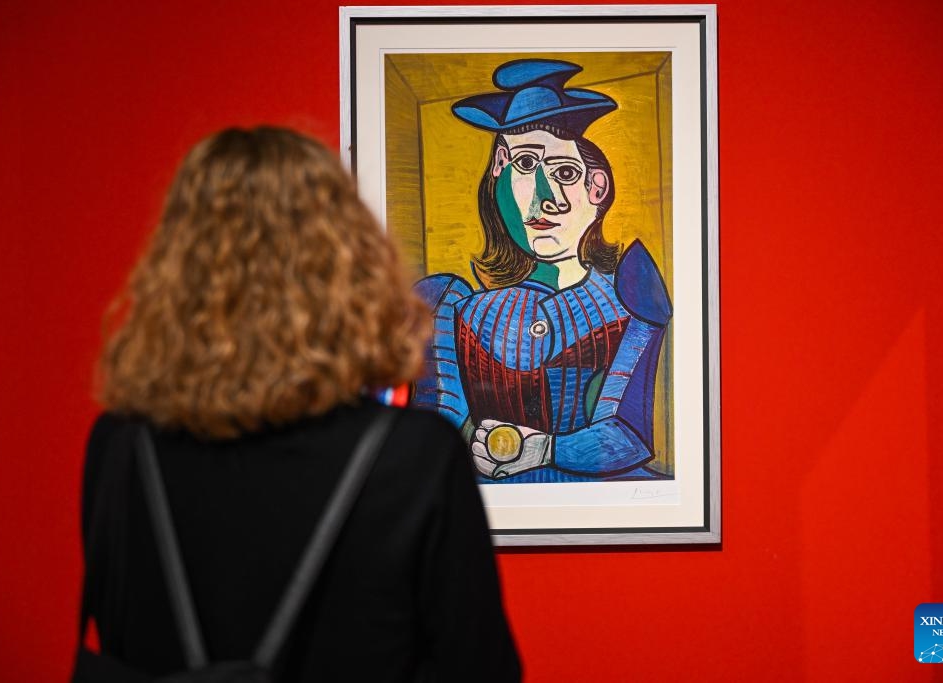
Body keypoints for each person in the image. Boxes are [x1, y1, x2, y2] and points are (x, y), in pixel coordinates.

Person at [78, 127, 521, 681]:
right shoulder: (413, 457)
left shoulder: (121, 448)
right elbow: (481, 671)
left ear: (176, 268)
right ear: (346, 267)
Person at [411, 59, 673, 483]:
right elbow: (428, 440)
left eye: (565, 173)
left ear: (597, 189)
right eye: (526, 166)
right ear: (498, 173)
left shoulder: (632, 293)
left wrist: (547, 450)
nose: (545, 200)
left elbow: (628, 434)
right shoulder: (449, 306)